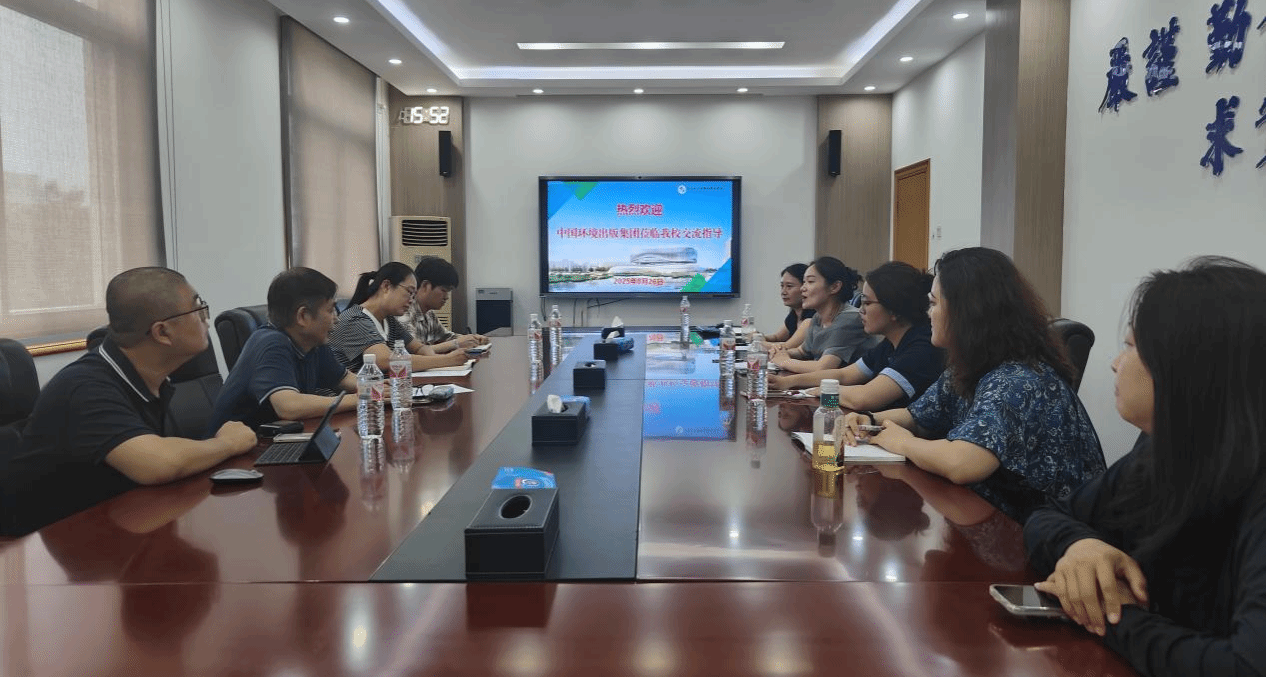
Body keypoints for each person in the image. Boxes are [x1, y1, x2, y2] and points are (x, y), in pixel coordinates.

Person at [1024, 256, 1266, 674]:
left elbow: (1246, 666)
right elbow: (1048, 515)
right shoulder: (1167, 451)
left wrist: (1113, 614)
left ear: (1189, 369)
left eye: (1132, 346)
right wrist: (1081, 547)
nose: (1116, 363)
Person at [839, 247, 1105, 523]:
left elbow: (963, 463)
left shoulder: (1017, 378)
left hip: (1052, 533)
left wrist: (903, 443)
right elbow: (917, 416)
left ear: (966, 312)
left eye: (934, 303)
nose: (928, 314)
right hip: (993, 516)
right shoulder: (971, 366)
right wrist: (870, 420)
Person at [0, 267, 257, 536]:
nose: (206, 318)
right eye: (198, 309)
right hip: (46, 544)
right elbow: (157, 464)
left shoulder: (147, 378)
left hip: (112, 522)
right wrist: (227, 443)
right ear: (162, 332)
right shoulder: (85, 387)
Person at [770, 261, 944, 411]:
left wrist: (819, 391)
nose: (861, 310)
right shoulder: (890, 344)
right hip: (877, 424)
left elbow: (864, 398)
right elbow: (845, 375)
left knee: (825, 429)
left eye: (867, 303)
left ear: (893, 309)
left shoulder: (921, 347)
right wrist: (787, 382)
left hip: (901, 434)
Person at [207, 267, 359, 433]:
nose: (336, 319)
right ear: (303, 316)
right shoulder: (271, 343)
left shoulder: (313, 343)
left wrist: (376, 387)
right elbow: (289, 407)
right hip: (233, 446)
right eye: (330, 310)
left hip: (276, 440)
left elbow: (344, 379)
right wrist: (361, 398)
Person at [328, 261, 470, 372]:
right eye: (409, 292)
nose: (412, 300)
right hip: (354, 397)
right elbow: (385, 360)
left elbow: (419, 348)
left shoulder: (388, 320)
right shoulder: (355, 319)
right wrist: (447, 360)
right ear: (386, 286)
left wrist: (435, 359)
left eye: (414, 295)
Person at [768, 256, 876, 374]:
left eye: (810, 282)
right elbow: (802, 351)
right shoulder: (817, 318)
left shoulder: (850, 319)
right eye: (804, 282)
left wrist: (784, 361)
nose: (803, 288)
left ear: (834, 287)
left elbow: (823, 367)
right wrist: (781, 352)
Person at [400, 256, 487, 352]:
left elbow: (447, 337)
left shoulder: (429, 314)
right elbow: (414, 353)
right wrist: (456, 344)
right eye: (444, 290)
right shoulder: (405, 313)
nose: (446, 297)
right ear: (425, 285)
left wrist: (473, 339)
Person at [762, 263, 816, 351]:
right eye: (782, 286)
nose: (783, 292)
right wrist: (758, 336)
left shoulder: (812, 318)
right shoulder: (794, 315)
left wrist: (757, 342)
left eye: (789, 286)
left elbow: (787, 346)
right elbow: (777, 337)